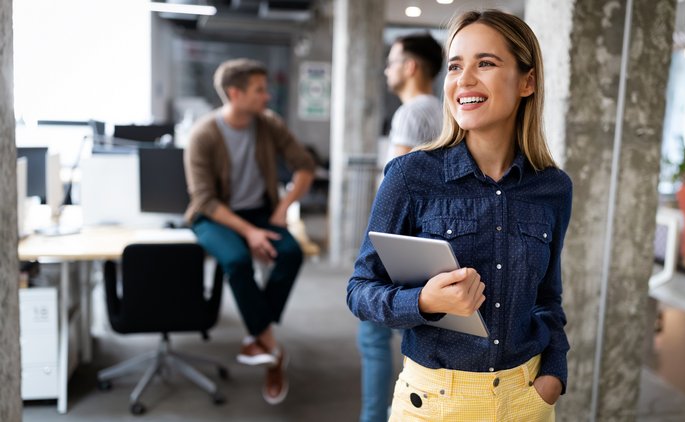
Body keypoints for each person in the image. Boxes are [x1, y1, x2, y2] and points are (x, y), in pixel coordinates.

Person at [347, 9, 571, 421]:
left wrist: (554, 374)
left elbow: (548, 298)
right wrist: (424, 301)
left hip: (527, 399)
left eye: (485, 63)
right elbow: (359, 290)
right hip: (434, 402)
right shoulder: (411, 175)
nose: (464, 79)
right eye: (455, 66)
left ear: (528, 81)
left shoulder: (552, 187)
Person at [184, 58, 316, 405]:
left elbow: (305, 166)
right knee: (237, 260)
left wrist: (282, 208)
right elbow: (205, 200)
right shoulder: (202, 134)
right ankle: (271, 348)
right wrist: (249, 233)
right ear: (234, 93)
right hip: (213, 216)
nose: (267, 96)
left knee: (291, 252)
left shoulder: (268, 124)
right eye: (259, 90)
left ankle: (258, 334)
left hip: (261, 211)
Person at [357, 32, 444, 422]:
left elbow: (391, 193)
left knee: (374, 331)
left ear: (410, 67)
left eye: (392, 62)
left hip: (403, 245)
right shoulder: (441, 110)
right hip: (431, 239)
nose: (387, 70)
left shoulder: (411, 112)